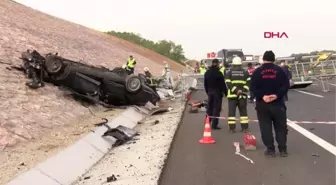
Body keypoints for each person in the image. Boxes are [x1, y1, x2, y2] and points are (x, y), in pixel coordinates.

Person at [250, 50, 290, 157]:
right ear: (274, 59)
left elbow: (253, 87)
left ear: (263, 59)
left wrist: (263, 96)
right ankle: (283, 150)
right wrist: (277, 95)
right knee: (281, 127)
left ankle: (270, 149)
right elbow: (286, 85)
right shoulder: (280, 70)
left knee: (265, 127)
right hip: (278, 103)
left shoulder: (258, 71)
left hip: (262, 104)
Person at [225, 57, 250, 133]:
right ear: (240, 64)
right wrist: (242, 90)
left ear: (233, 64)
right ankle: (244, 128)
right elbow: (249, 83)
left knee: (232, 112)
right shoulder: (246, 72)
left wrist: (236, 91)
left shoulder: (229, 73)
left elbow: (228, 83)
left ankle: (232, 128)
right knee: (243, 112)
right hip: (242, 96)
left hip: (232, 96)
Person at [204, 59, 227, 129]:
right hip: (217, 92)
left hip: (210, 92)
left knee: (209, 108)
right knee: (216, 109)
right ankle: (214, 125)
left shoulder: (207, 73)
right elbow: (223, 84)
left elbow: (205, 84)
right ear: (217, 64)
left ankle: (207, 122)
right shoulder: (219, 73)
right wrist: (225, 92)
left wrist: (207, 92)